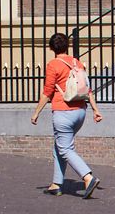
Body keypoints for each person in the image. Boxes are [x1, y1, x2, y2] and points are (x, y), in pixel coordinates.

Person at [29, 32, 102, 197]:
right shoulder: (77, 63)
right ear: (67, 46)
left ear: (51, 48)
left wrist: (36, 113)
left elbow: (47, 92)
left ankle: (88, 177)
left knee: (65, 148)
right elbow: (87, 89)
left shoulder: (53, 65)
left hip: (63, 112)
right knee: (60, 146)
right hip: (80, 112)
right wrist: (95, 110)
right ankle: (56, 183)